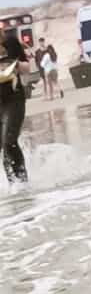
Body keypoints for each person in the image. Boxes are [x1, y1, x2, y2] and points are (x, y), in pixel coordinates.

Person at [0, 32, 34, 182]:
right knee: (3, 147)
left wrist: (16, 65)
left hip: (14, 99)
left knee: (9, 142)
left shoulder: (10, 41)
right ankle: (12, 187)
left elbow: (27, 67)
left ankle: (23, 184)